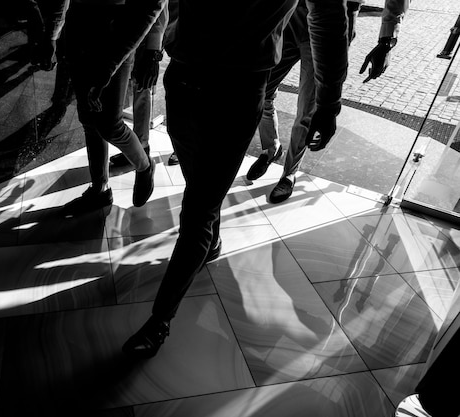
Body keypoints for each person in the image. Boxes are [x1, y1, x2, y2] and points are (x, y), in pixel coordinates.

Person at [122, 0, 349, 359]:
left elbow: (328, 18)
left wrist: (328, 101)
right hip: (184, 77)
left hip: (237, 88)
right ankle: (209, 238)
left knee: (196, 212)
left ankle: (159, 321)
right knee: (199, 192)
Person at [246, 0, 410, 204]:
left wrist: (387, 39)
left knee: (308, 108)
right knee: (260, 91)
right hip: (292, 10)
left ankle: (289, 173)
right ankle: (271, 148)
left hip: (337, 14)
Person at [59, 0, 167, 216]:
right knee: (88, 119)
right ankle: (100, 189)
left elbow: (153, 5)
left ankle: (145, 165)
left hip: (116, 39)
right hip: (78, 32)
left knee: (110, 124)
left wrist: (152, 51)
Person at [109, 3, 169, 168]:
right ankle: (139, 146)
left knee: (142, 86)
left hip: (145, 34)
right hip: (129, 30)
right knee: (139, 88)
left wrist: (154, 50)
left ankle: (141, 147)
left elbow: (160, 8)